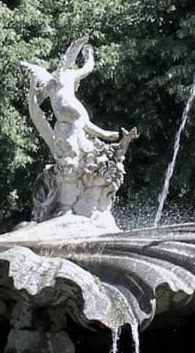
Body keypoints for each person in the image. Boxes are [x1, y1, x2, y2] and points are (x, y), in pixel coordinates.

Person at [22, 38, 136, 227]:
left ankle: (108, 135)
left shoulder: (63, 84)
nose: (63, 153)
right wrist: (33, 96)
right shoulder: (63, 139)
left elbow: (39, 118)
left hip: (71, 115)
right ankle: (108, 135)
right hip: (71, 116)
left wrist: (34, 96)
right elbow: (39, 119)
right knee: (89, 126)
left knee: (89, 127)